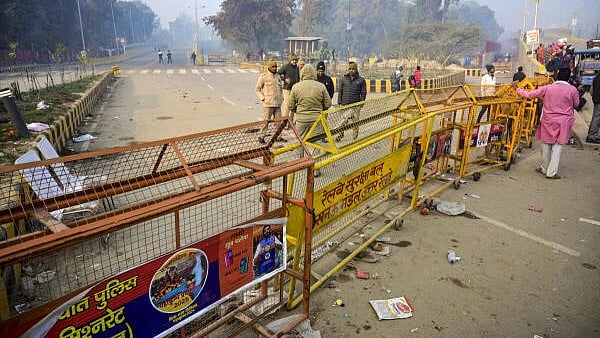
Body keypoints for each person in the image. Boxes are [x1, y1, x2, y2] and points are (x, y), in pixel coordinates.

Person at [516, 68, 579, 179]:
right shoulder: (572, 90)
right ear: (569, 78)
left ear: (557, 76)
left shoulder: (548, 88)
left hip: (548, 119)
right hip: (563, 122)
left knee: (545, 145)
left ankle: (544, 168)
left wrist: (518, 90)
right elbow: (576, 104)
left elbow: (531, 95)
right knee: (557, 147)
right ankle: (551, 172)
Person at [289, 64, 332, 176]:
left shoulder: (296, 87)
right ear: (314, 74)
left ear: (302, 74)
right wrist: (319, 109)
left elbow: (290, 106)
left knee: (299, 143)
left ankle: (298, 166)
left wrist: (298, 111)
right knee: (315, 144)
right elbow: (328, 104)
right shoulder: (321, 86)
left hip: (301, 120)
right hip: (316, 120)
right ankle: (315, 170)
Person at [255, 59, 284, 144]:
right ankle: (261, 136)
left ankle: (278, 136)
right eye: (273, 67)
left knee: (278, 122)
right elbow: (257, 89)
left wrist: (281, 98)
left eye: (276, 67)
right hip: (268, 103)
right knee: (266, 121)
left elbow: (280, 89)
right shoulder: (263, 77)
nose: (275, 68)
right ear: (269, 67)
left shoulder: (278, 76)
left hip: (277, 103)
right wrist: (263, 98)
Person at [336, 61, 367, 141]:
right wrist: (339, 103)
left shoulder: (361, 80)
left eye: (353, 69)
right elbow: (340, 91)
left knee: (355, 123)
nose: (351, 70)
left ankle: (354, 137)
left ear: (356, 69)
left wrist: (361, 104)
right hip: (344, 104)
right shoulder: (343, 79)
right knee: (342, 122)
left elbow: (363, 93)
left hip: (355, 106)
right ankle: (340, 135)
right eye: (350, 69)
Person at [278, 53, 300, 121]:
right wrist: (284, 79)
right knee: (287, 106)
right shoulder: (286, 67)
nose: (294, 61)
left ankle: (290, 122)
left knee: (293, 106)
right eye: (293, 60)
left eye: (295, 60)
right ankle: (285, 122)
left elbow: (298, 78)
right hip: (287, 89)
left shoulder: (297, 68)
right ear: (290, 60)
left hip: (295, 90)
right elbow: (278, 74)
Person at [586, 70, 600, 143]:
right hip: (598, 100)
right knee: (597, 118)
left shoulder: (595, 78)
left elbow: (591, 91)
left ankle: (592, 134)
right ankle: (592, 136)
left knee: (595, 118)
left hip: (596, 100)